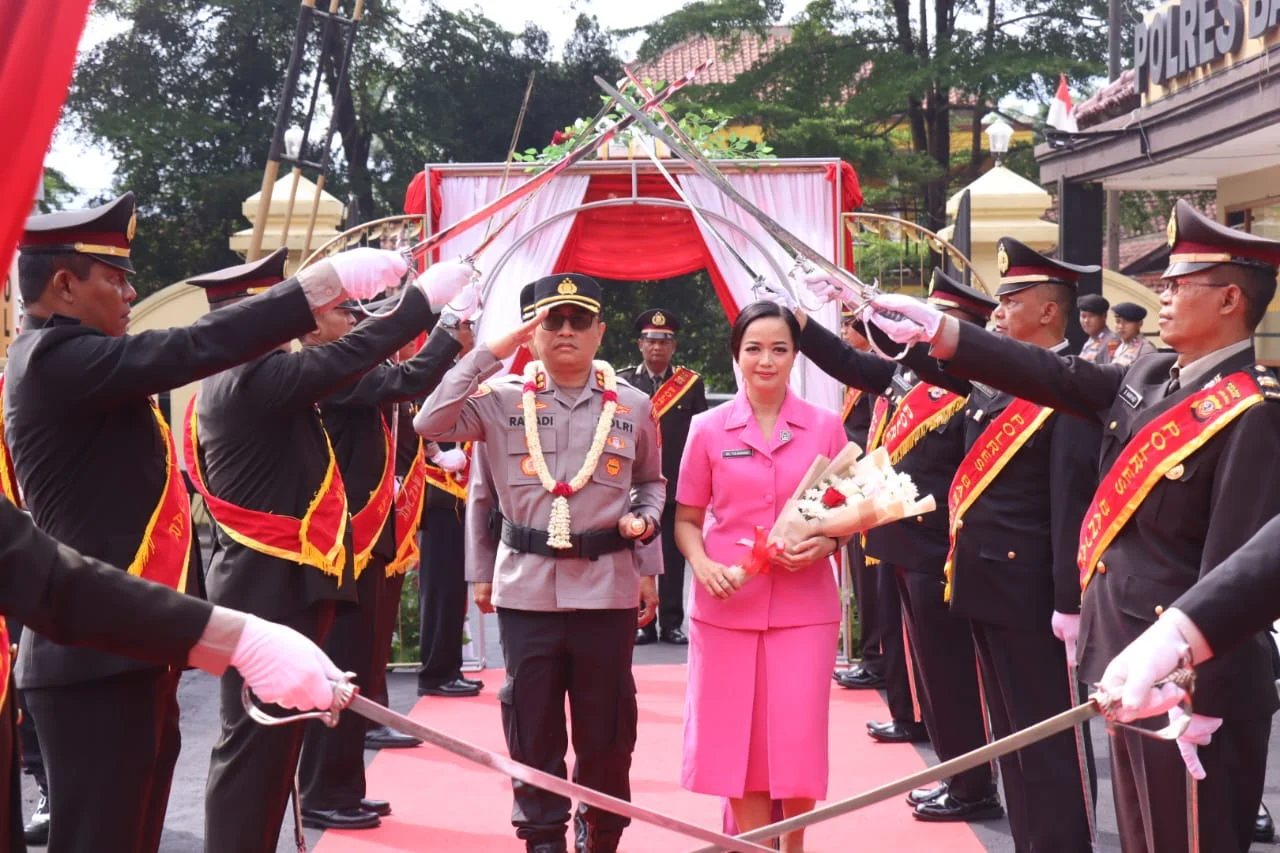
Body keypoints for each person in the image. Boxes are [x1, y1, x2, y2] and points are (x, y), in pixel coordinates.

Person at [865, 199, 1280, 853]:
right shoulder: (1151, 373)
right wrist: (944, 337)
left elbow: (1235, 570)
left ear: (1230, 299)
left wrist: (1207, 694)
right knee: (1144, 836)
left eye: (1177, 285)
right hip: (1129, 660)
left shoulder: (1252, 411)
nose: (1161, 296)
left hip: (1185, 682)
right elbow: (1052, 374)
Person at [5, 194, 374, 853]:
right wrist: (319, 288)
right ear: (63, 284)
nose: (128, 292)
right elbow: (195, 344)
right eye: (115, 278)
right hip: (87, 655)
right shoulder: (53, 360)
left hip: (131, 639)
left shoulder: (81, 363)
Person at [186, 249, 470, 851]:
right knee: (255, 745)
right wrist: (422, 307)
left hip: (278, 578)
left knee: (272, 742)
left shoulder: (253, 371)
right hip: (267, 581)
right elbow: (354, 359)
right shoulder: (253, 373)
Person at [415, 273, 663, 853]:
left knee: (607, 730)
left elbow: (651, 484)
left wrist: (646, 541)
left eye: (580, 321)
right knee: (531, 727)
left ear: (600, 331)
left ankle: (603, 831)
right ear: (534, 332)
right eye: (553, 321)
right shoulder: (500, 400)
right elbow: (430, 423)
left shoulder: (632, 404)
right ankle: (543, 836)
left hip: (607, 591)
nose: (567, 331)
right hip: (527, 592)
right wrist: (489, 353)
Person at [888, 258, 1100, 850]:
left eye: (1010, 302)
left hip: (1032, 596)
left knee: (1048, 746)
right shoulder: (1007, 384)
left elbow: (1067, 505)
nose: (998, 314)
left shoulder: (1073, 385)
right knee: (1012, 744)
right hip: (986, 587)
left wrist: (1068, 599)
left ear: (1049, 311)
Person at [0, 495, 347, 852]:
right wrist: (236, 639)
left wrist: (236, 638)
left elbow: (37, 567)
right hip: (87, 663)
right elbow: (44, 575)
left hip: (132, 643)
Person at [796, 275, 1002, 823]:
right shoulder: (911, 378)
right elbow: (851, 363)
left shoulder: (971, 388)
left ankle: (972, 785)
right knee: (931, 675)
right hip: (902, 544)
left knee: (953, 676)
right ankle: (955, 774)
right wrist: (799, 324)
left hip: (937, 553)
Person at [672, 300, 845, 852]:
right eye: (754, 349)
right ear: (736, 355)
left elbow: (849, 515)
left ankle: (792, 846)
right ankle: (752, 845)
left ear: (795, 357)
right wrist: (702, 566)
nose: (766, 360)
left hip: (804, 609)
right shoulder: (705, 428)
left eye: (778, 349)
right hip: (726, 604)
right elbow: (686, 520)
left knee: (795, 739)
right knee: (735, 742)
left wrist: (827, 543)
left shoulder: (825, 426)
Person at [295, 294, 467, 828]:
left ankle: (345, 786)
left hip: (367, 540)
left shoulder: (347, 368)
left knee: (358, 667)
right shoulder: (327, 372)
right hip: (340, 546)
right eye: (347, 315)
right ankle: (324, 792)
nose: (355, 324)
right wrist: (447, 328)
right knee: (339, 668)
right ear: (312, 329)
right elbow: (408, 381)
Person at [618, 308, 708, 646]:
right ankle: (643, 622)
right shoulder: (623, 381)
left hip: (675, 481)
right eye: (651, 340)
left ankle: (671, 623)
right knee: (637, 551)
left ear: (674, 346)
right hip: (633, 483)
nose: (657, 347)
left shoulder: (690, 384)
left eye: (665, 341)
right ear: (640, 344)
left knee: (672, 554)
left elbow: (700, 436)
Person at [831, 310, 893, 693]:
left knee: (874, 583)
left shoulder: (878, 376)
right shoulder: (860, 380)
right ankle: (873, 656)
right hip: (857, 486)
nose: (842, 330)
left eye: (848, 324)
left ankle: (877, 658)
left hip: (875, 489)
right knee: (865, 582)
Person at [1110, 302, 1158, 367]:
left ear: (1140, 323)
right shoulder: (1122, 345)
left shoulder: (1146, 349)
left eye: (1126, 322)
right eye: (1118, 321)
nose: (1121, 326)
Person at [1077, 292, 1119, 363]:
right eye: (1083, 316)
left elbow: (1111, 372)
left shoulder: (1111, 341)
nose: (1086, 321)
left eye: (1091, 316)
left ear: (1104, 316)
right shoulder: (1091, 340)